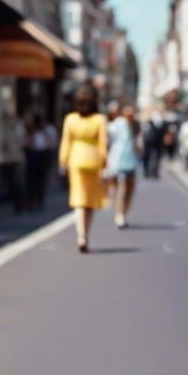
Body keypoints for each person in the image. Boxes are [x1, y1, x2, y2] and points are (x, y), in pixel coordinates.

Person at [59, 84, 108, 251]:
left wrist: (63, 162)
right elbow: (103, 144)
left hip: (76, 160)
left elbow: (66, 142)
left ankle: (81, 235)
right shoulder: (99, 119)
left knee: (79, 199)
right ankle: (85, 233)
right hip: (94, 161)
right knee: (90, 202)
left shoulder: (70, 119)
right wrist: (104, 164)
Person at [106, 101, 142, 228]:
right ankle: (119, 214)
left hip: (132, 161)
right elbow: (107, 138)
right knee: (122, 188)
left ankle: (124, 213)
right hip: (119, 160)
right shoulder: (117, 125)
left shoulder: (136, 125)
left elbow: (138, 142)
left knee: (130, 189)